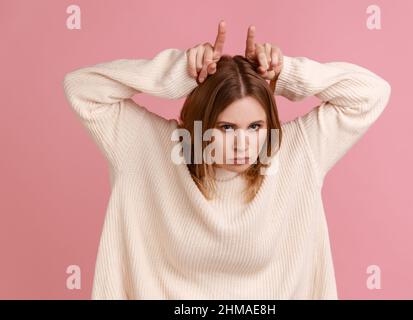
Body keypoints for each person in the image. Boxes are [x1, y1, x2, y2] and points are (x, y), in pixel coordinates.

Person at [62, 20, 391, 299]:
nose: (242, 144)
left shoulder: (294, 153)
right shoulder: (150, 149)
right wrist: (177, 75)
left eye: (255, 127)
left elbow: (371, 93)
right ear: (200, 124)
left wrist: (287, 75)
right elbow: (81, 87)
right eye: (226, 127)